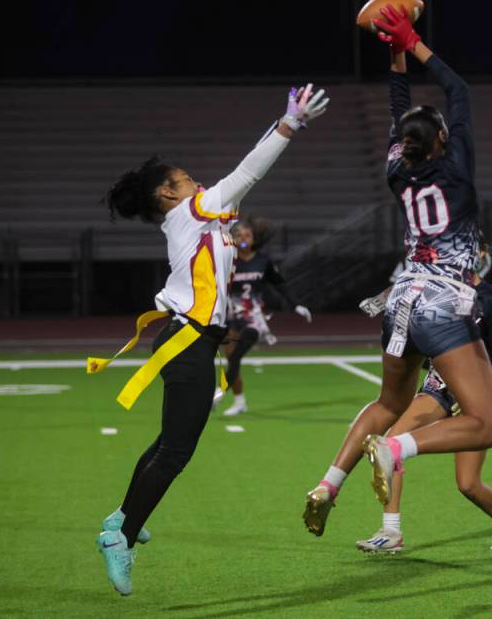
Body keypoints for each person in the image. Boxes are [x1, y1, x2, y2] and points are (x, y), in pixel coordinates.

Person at [94, 85, 329, 596]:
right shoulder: (192, 213)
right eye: (185, 180)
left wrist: (285, 124)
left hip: (191, 341)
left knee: (166, 443)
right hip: (189, 343)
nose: (197, 182)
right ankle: (123, 539)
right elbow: (248, 172)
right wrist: (288, 125)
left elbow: (240, 184)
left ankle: (122, 519)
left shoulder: (197, 217)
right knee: (177, 451)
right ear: (168, 195)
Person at [303, 6, 492, 537]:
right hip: (442, 303)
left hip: (400, 300)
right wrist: (415, 43)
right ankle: (396, 447)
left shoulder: (397, 170)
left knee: (389, 400)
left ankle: (328, 483)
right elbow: (459, 92)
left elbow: (398, 114)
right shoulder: (455, 167)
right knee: (486, 426)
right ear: (441, 140)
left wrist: (393, 56)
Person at [356, 247, 492, 553]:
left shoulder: (491, 298)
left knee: (467, 484)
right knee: (390, 443)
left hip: (472, 396)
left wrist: (480, 395)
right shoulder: (435, 288)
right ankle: (391, 532)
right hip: (437, 388)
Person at [213, 217, 312, 416]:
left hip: (253, 317)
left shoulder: (262, 261)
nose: (243, 238)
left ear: (254, 239)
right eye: (238, 234)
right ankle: (240, 402)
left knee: (238, 354)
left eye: (247, 235)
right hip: (231, 315)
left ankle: (219, 392)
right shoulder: (227, 259)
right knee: (232, 357)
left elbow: (279, 284)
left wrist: (296, 305)